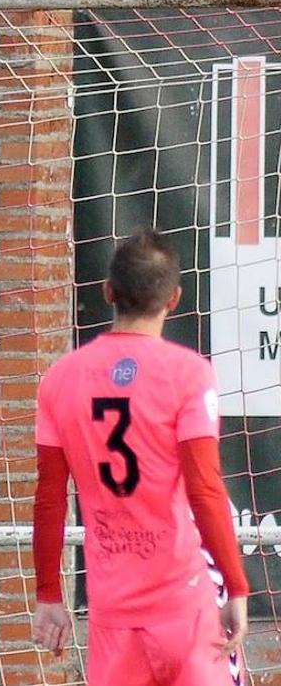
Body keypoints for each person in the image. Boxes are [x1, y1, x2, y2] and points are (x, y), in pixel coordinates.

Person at [30, 229, 249, 685]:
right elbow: (205, 488)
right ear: (174, 299)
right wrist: (237, 585)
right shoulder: (189, 374)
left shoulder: (60, 380)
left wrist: (49, 593)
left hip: (114, 617)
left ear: (108, 291)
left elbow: (50, 496)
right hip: (183, 606)